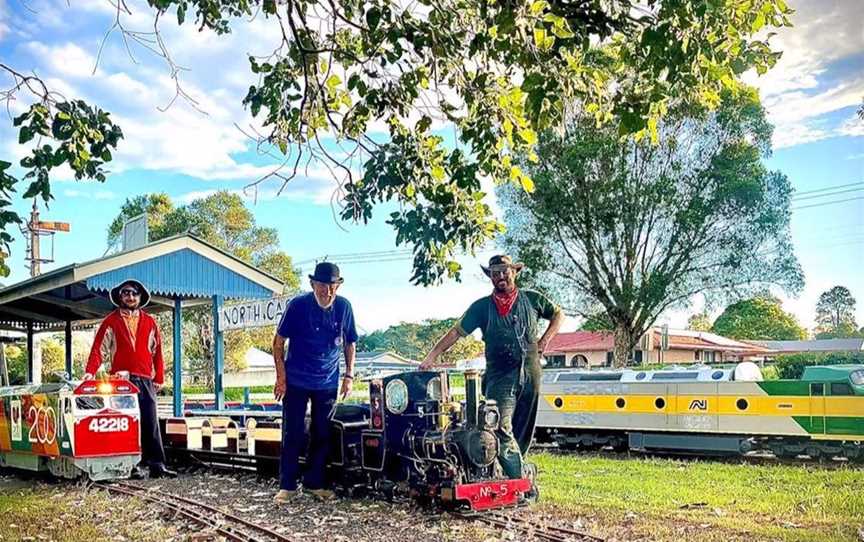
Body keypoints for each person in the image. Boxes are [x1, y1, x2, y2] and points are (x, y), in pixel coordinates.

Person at [419, 255, 563, 480]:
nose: (501, 276)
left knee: (524, 427)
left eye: (505, 271)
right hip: (500, 375)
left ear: (514, 272)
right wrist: (432, 356)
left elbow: (558, 314)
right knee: (498, 425)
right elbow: (457, 332)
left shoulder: (533, 299)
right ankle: (521, 480)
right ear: (491, 277)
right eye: (495, 273)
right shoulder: (482, 307)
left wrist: (544, 341)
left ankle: (511, 473)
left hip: (531, 372)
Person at [272, 262, 358, 503]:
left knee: (322, 433)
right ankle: (287, 485)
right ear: (312, 285)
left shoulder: (344, 307)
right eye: (322, 286)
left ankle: (314, 483)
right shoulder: (298, 306)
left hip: (327, 380)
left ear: (337, 286)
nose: (327, 292)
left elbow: (350, 343)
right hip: (296, 378)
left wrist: (349, 375)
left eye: (332, 287)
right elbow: (278, 343)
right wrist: (281, 378)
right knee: (293, 432)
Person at [85, 279, 176, 479]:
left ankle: (157, 465)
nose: (130, 296)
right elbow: (98, 349)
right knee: (125, 423)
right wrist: (90, 372)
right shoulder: (111, 321)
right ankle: (129, 466)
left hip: (145, 379)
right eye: (126, 293)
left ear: (140, 297)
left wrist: (159, 376)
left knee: (150, 422)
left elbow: (157, 352)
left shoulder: (150, 322)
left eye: (134, 293)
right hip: (120, 382)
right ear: (120, 296)